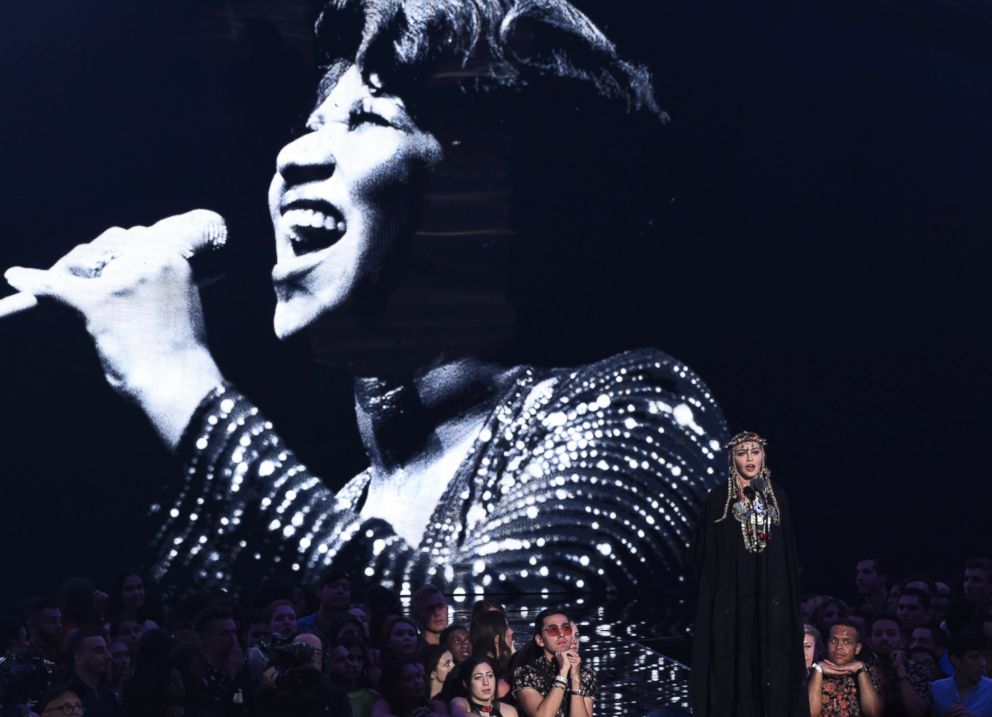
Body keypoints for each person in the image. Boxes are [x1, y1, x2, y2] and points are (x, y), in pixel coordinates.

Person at [3, 0, 727, 597]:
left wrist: (173, 373)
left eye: (369, 121)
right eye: (315, 125)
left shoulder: (640, 408)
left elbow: (465, 642)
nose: (294, 156)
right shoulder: (346, 505)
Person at [690, 431, 808, 716]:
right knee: (733, 664)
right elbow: (707, 558)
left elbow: (787, 552)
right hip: (733, 600)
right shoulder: (719, 500)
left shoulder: (776, 496)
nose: (749, 458)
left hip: (771, 599)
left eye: (754, 451)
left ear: (763, 455)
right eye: (742, 453)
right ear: (733, 459)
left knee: (772, 664)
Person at [513, 608, 593, 717]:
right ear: (540, 640)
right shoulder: (525, 673)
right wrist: (563, 672)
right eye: (553, 630)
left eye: (566, 629)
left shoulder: (584, 672)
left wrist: (575, 680)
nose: (561, 634)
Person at [807, 621, 884, 717]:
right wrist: (818, 670)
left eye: (847, 642)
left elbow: (874, 714)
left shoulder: (871, 672)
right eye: (833, 641)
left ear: (857, 648)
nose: (839, 647)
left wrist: (861, 670)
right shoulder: (812, 671)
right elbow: (809, 714)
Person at [865, 613, 931, 717]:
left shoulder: (917, 670)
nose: (884, 638)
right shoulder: (861, 671)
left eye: (891, 634)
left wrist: (900, 669)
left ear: (902, 640)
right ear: (869, 641)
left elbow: (918, 712)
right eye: (878, 634)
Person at [931, 631, 992, 716]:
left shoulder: (990, 690)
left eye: (983, 656)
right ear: (956, 661)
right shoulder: (938, 689)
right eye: (974, 657)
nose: (983, 663)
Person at [64, 626, 122, 717]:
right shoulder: (64, 699)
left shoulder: (107, 695)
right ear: (79, 658)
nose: (109, 656)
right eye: (99, 651)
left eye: (107, 650)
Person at [450, 656, 519, 717]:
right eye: (478, 677)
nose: (486, 683)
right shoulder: (460, 702)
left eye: (490, 676)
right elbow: (459, 713)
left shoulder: (508, 711)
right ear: (466, 684)